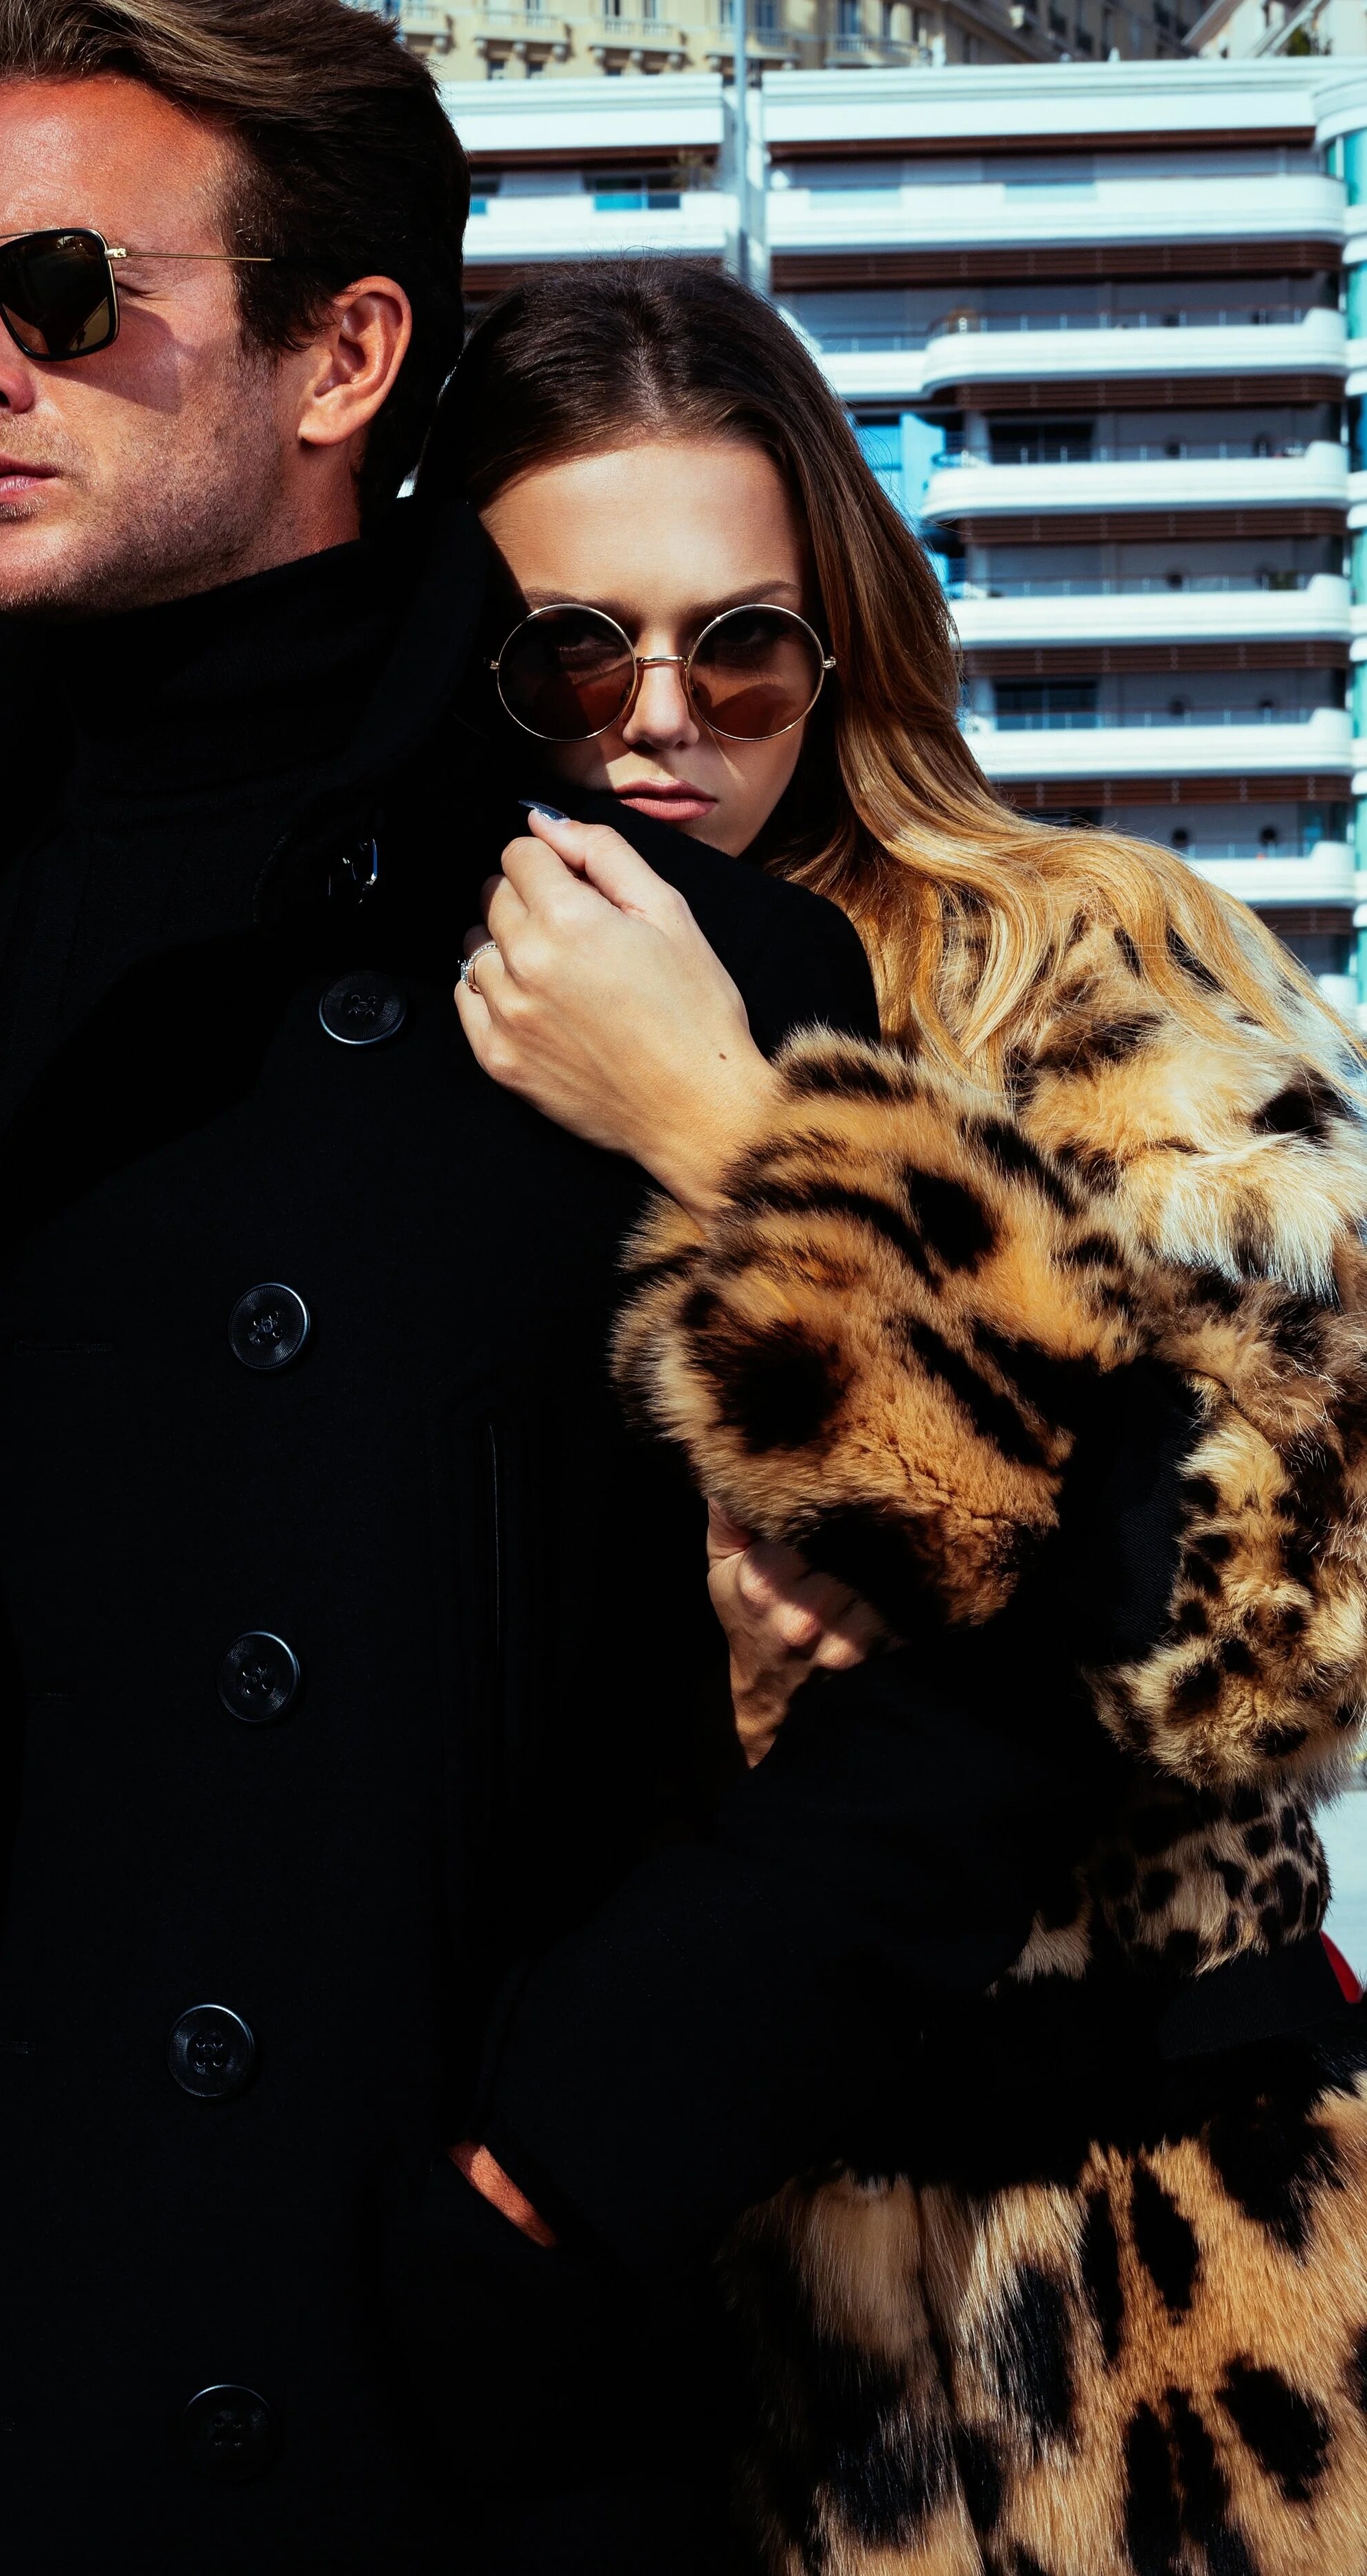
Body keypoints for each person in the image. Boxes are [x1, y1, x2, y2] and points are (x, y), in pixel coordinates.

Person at [0, 23, 1134, 2566]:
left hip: (386, 2425)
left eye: (55, 289)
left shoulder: (649, 966)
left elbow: (1015, 1648)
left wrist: (560, 2177)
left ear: (344, 355)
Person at [421, 259, 1367, 2576]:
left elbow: (1288, 1612)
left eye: (740, 647)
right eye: (571, 653)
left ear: (840, 649)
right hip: (653, 2301)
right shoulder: (397, 1038)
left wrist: (732, 1135)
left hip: (1119, 2279)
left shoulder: (1072, 960)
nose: (661, 720)